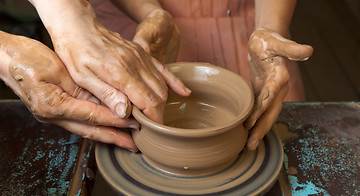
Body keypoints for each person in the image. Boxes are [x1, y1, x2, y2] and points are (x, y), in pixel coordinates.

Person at [1, 0, 312, 152]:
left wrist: (271, 27)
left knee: (272, 133)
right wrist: (67, 14)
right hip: (135, 38)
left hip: (250, 37)